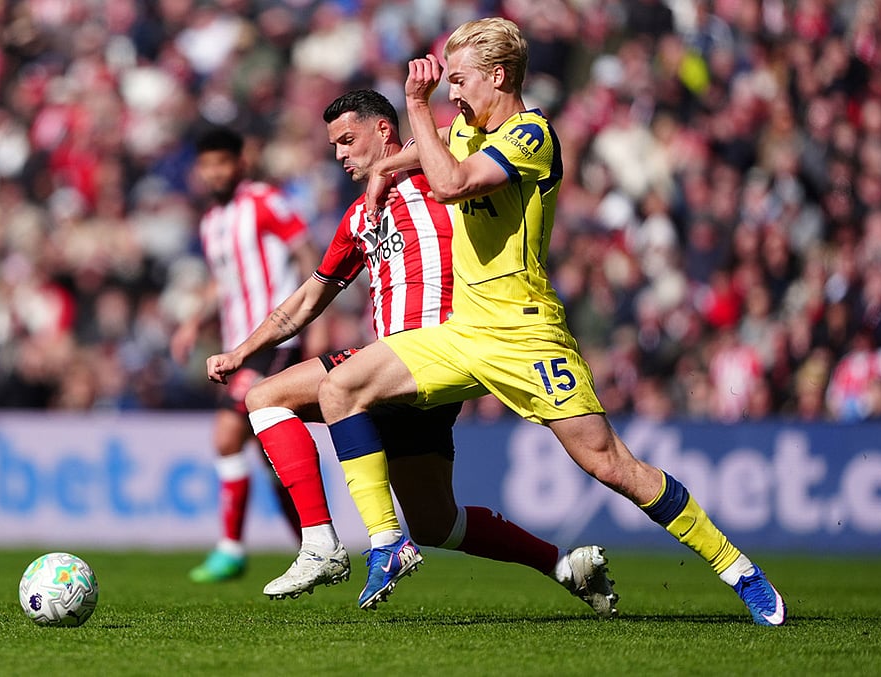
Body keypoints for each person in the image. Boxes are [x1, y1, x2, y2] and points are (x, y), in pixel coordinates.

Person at [314, 18, 787, 625]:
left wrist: (414, 106)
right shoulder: (463, 127)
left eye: (460, 80)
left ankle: (738, 569)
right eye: (448, 83)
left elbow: (453, 181)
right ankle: (386, 543)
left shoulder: (530, 135)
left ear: (499, 75)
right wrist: (384, 170)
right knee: (341, 387)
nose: (452, 93)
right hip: (461, 333)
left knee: (611, 465)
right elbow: (426, 154)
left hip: (526, 334)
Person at [206, 89, 616, 614]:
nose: (340, 156)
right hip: (395, 374)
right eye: (333, 146)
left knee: (266, 398)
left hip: (435, 354)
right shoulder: (359, 217)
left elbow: (467, 141)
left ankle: (322, 544)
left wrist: (412, 135)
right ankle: (564, 565)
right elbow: (310, 297)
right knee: (436, 523)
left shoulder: (443, 181)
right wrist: (241, 350)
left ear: (383, 131)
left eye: (347, 140)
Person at [172, 125, 317, 582]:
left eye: (222, 162)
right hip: (239, 346)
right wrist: (194, 321)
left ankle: (232, 550)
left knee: (226, 436)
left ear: (240, 162)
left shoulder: (264, 201)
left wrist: (319, 319)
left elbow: (306, 251)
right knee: (270, 457)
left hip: (276, 341)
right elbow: (225, 278)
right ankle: (313, 546)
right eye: (206, 164)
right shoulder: (212, 221)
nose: (214, 172)